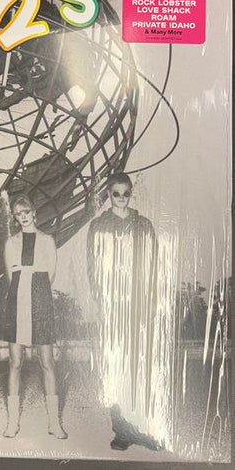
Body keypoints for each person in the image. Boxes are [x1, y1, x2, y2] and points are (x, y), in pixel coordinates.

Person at [87, 173, 160, 451]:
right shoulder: (98, 226)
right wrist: (101, 301)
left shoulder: (144, 225)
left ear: (131, 193)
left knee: (140, 367)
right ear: (109, 194)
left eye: (125, 193)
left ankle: (141, 429)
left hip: (138, 305)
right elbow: (92, 267)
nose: (121, 198)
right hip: (112, 305)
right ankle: (121, 431)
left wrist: (150, 303)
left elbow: (153, 266)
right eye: (116, 193)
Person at [2, 194, 67, 439]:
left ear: (34, 212)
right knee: (15, 362)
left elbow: (50, 276)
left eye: (26, 211)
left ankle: (54, 423)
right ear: (15, 217)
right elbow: (11, 277)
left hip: (40, 300)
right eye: (18, 214)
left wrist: (34, 289)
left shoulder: (47, 240)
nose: (23, 217)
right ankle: (12, 423)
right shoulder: (10, 243)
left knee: (47, 362)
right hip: (17, 302)